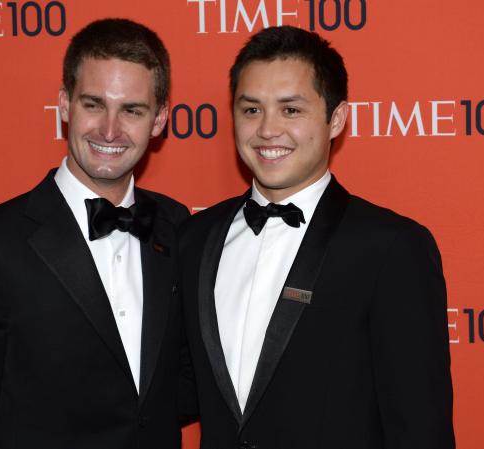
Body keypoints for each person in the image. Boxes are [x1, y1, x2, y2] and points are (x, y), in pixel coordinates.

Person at [180, 25, 455, 449]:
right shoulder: (196, 238)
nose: (268, 130)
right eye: (251, 110)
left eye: (291, 110)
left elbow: (420, 429)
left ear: (336, 119)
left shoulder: (391, 248)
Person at [0, 18, 194, 449]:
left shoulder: (176, 224)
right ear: (65, 105)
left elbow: (178, 382)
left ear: (160, 118)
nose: (110, 130)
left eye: (132, 110)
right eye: (93, 104)